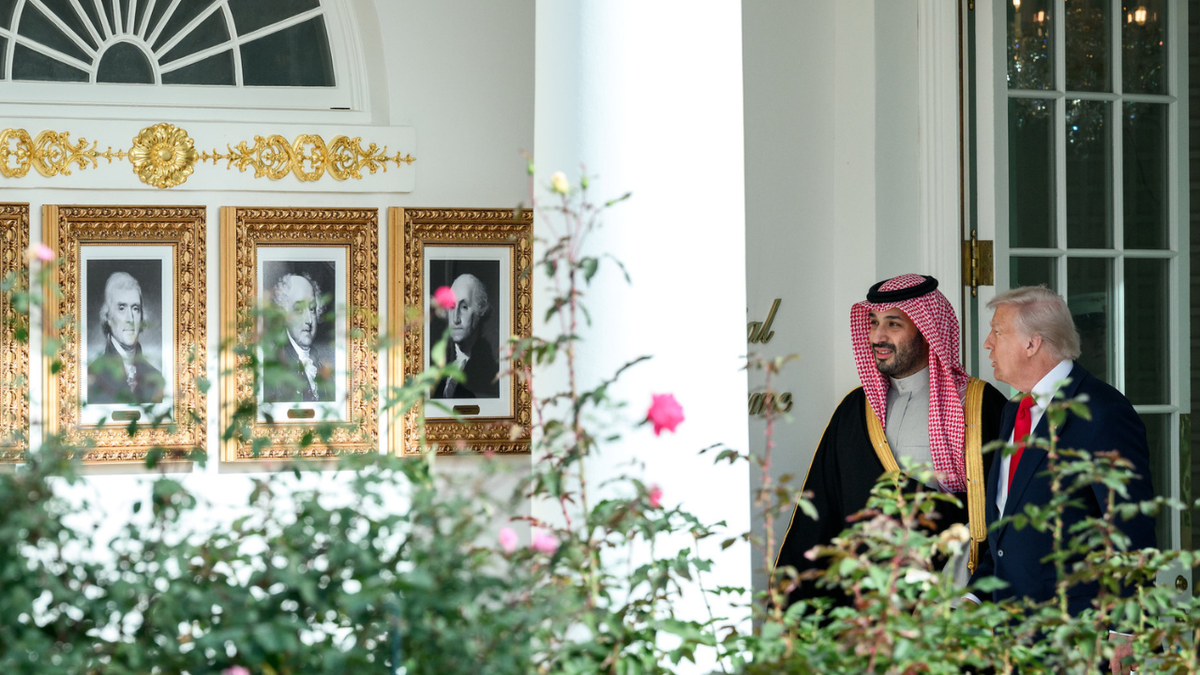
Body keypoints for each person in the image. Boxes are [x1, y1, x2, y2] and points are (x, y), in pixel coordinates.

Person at [774, 274, 1008, 607]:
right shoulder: (855, 410)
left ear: (928, 331)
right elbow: (821, 512)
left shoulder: (980, 406)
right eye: (873, 323)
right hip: (865, 606)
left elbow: (1000, 515)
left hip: (946, 602)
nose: (878, 336)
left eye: (893, 324)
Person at [966, 286, 1156, 674]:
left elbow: (1129, 529)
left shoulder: (1102, 412)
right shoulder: (1013, 412)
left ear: (1033, 343)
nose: (987, 343)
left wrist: (1126, 632)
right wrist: (973, 601)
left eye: (997, 332)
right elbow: (1005, 536)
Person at [87, 271, 166, 405]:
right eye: (122, 308)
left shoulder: (156, 376)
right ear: (108, 317)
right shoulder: (91, 377)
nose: (130, 319)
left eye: (135, 309)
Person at [262, 272, 334, 403]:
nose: (308, 320)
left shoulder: (323, 363)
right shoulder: (273, 366)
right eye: (299, 309)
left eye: (312, 309)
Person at [432, 273, 499, 399]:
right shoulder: (439, 366)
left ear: (480, 311)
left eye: (464, 307)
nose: (455, 319)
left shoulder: (489, 373)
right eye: (452, 306)